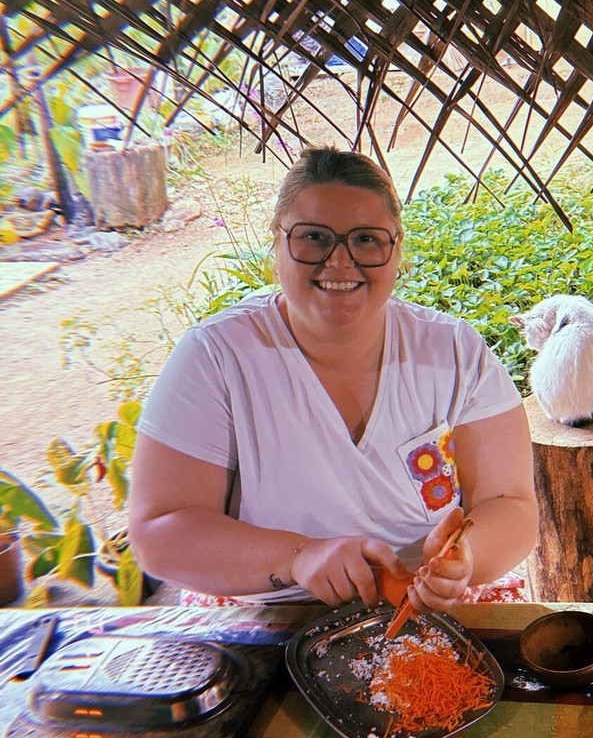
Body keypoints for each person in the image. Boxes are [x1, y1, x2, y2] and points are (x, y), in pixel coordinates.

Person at [129, 146, 538, 610]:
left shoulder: (453, 351)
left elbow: (511, 504)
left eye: (366, 239)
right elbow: (159, 530)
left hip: (430, 608)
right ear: (277, 243)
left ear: (397, 247)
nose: (340, 262)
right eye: (314, 237)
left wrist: (464, 559)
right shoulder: (218, 356)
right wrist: (299, 557)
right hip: (275, 614)